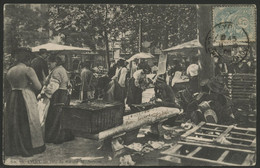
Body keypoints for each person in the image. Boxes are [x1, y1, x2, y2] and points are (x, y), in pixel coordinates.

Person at [4, 48, 45, 157]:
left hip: (13, 96)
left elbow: (7, 86)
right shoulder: (28, 70)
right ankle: (28, 146)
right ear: (27, 58)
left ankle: (14, 147)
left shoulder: (10, 70)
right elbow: (38, 86)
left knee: (15, 121)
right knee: (28, 120)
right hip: (25, 96)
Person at [38, 55, 74, 144]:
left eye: (50, 63)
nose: (48, 65)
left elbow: (53, 86)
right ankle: (62, 136)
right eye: (47, 63)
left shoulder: (57, 71)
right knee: (60, 115)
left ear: (56, 62)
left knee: (55, 115)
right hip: (62, 94)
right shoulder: (60, 69)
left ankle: (55, 137)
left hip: (58, 95)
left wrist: (44, 94)